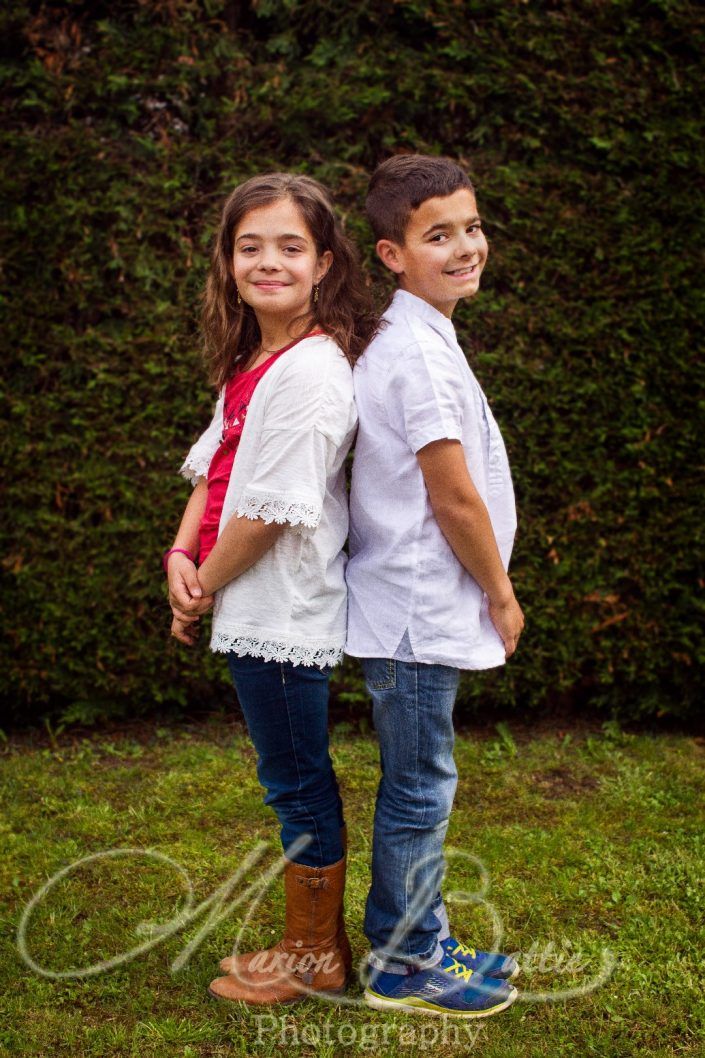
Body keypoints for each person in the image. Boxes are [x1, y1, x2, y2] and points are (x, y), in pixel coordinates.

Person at [164, 173, 377, 1005]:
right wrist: (180, 555)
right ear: (226, 261)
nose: (267, 262)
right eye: (248, 246)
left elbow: (270, 514)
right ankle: (306, 943)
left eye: (290, 246)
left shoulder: (314, 371)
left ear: (324, 261)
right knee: (287, 774)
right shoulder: (257, 359)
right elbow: (213, 470)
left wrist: (202, 586)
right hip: (244, 598)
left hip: (282, 610)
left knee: (295, 779)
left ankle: (313, 955)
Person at [345, 154, 525, 1018]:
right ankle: (404, 961)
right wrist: (499, 591)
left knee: (421, 778)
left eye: (472, 227)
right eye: (437, 236)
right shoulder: (414, 352)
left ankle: (422, 934)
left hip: (414, 607)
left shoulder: (423, 337)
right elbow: (450, 492)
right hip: (417, 608)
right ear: (391, 253)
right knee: (420, 785)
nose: (465, 248)